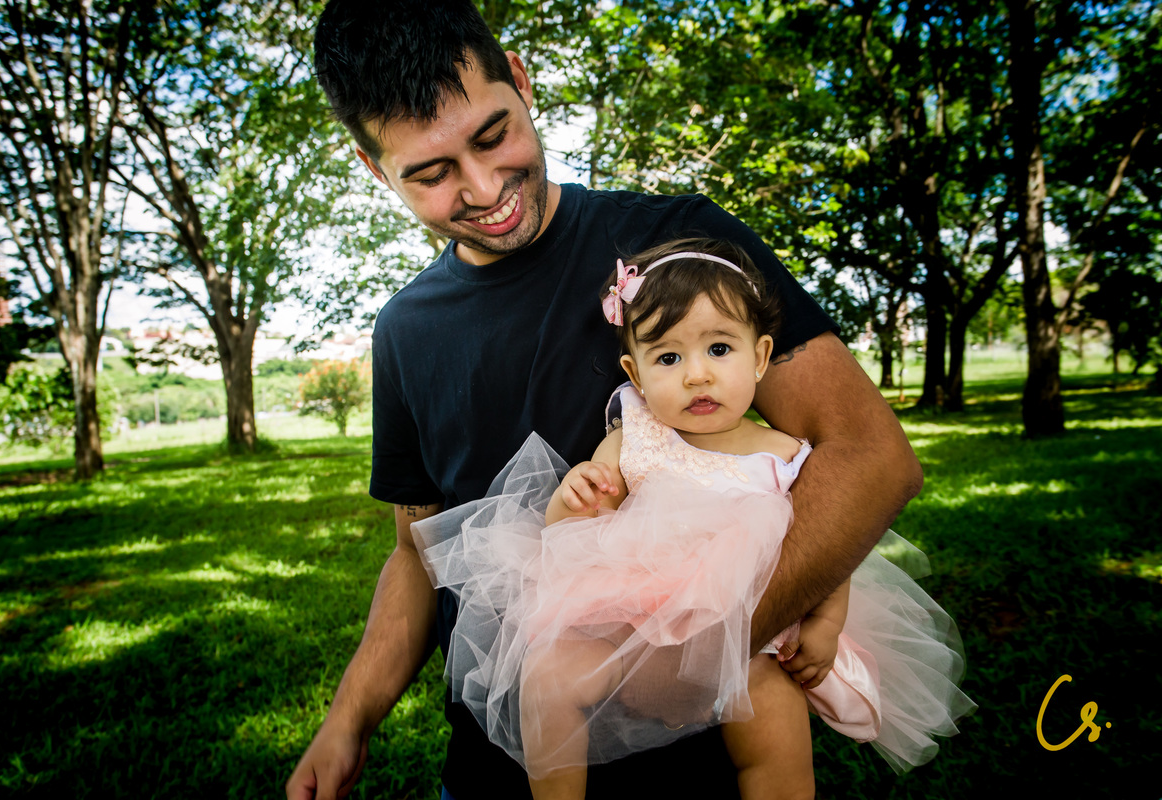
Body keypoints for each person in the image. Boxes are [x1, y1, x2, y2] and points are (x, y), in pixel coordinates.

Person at [288, 2, 924, 798]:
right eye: (431, 172)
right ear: (372, 166)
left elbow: (872, 459)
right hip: (495, 772)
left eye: (493, 137)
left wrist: (680, 668)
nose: (484, 189)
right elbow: (420, 556)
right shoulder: (404, 331)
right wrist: (348, 719)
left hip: (697, 765)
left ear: (519, 80)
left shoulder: (685, 243)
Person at [410, 240, 974, 800]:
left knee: (775, 724)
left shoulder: (783, 456)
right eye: (669, 358)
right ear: (635, 371)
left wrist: (824, 627)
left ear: (760, 356)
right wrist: (577, 495)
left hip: (749, 639)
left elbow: (835, 554)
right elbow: (564, 533)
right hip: (627, 626)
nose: (697, 376)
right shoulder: (636, 436)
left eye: (720, 349)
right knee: (547, 675)